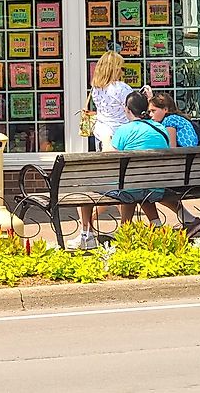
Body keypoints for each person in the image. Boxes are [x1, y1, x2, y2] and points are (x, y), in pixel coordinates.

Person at [73, 50, 135, 249]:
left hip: (103, 137)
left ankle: (87, 228)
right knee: (122, 187)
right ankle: (126, 230)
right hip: (123, 139)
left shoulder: (97, 88)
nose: (123, 70)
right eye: (121, 67)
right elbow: (134, 106)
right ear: (115, 68)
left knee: (106, 185)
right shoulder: (121, 88)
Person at [148, 92, 200, 237]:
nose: (150, 114)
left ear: (166, 109)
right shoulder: (180, 119)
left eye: (153, 111)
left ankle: (158, 227)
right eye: (149, 111)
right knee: (150, 188)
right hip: (195, 171)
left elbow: (171, 150)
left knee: (148, 188)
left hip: (185, 175)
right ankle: (189, 219)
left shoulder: (170, 121)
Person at [110, 91, 172, 227]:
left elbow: (113, 161)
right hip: (157, 187)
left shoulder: (123, 131)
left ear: (128, 109)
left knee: (128, 186)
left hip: (131, 187)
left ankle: (88, 233)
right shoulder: (161, 128)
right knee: (137, 185)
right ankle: (154, 225)